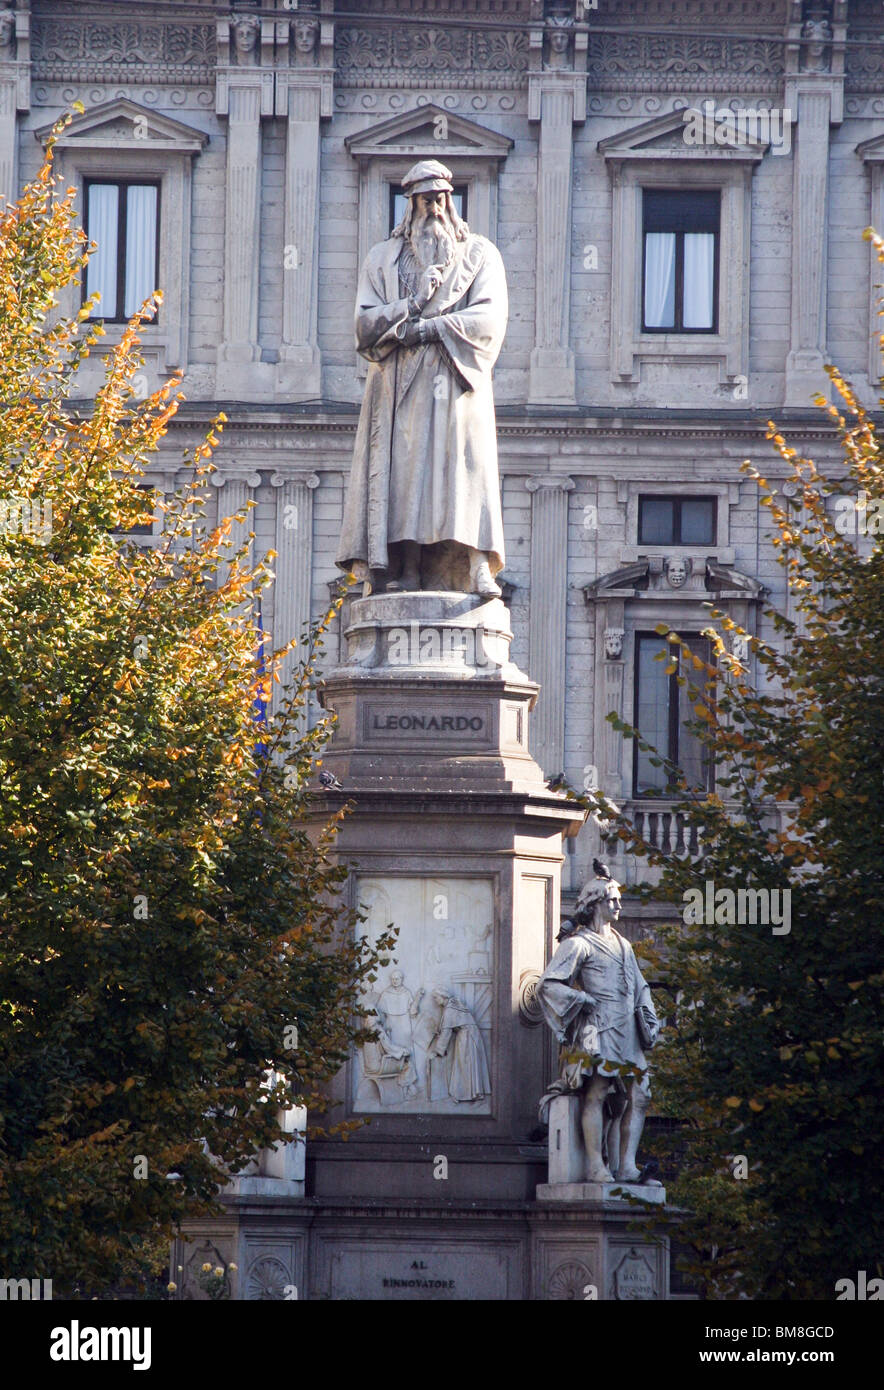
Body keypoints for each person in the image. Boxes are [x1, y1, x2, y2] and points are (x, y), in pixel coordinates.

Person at [337, 159, 508, 598]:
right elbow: (363, 327)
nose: (434, 208)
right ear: (409, 205)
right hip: (399, 387)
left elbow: (490, 318)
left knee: (464, 471)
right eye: (425, 199)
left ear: (452, 203)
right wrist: (412, 304)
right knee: (406, 476)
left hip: (458, 384)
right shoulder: (382, 260)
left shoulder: (480, 254)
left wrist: (429, 329)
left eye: (441, 199)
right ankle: (407, 568)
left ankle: (477, 564)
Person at [536, 870, 660, 1183]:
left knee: (640, 1093)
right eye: (613, 900)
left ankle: (627, 1166)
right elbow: (549, 984)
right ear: (596, 903)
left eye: (619, 899)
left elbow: (641, 987)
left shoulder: (624, 945)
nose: (619, 905)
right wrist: (581, 1000)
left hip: (627, 1026)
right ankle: (595, 1164)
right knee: (599, 1091)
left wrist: (648, 1014)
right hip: (597, 1027)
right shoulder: (579, 944)